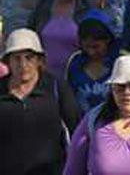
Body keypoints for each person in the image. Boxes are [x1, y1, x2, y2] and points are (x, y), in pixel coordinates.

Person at [0, 29, 80, 175]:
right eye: (16, 58)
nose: (23, 65)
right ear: (8, 62)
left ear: (39, 60)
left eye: (29, 57)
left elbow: (77, 130)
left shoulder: (56, 87)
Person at [29, 0, 90, 77]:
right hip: (44, 74)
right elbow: (30, 34)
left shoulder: (85, 8)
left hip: (76, 73)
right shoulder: (44, 4)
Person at [65, 10, 119, 115]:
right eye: (87, 47)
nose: (91, 52)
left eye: (96, 47)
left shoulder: (120, 62)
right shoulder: (74, 62)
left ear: (108, 40)